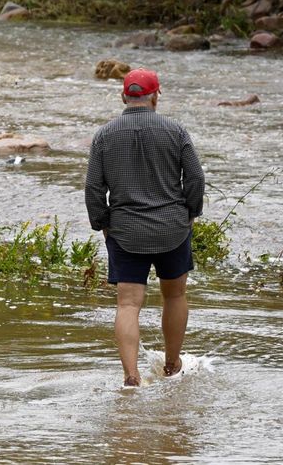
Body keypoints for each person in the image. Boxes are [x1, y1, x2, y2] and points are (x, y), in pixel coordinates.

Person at [84, 68, 205, 386]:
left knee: (128, 303)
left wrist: (102, 223)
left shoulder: (105, 135)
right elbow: (194, 178)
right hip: (172, 228)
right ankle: (172, 364)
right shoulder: (175, 131)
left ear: (124, 96)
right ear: (156, 95)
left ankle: (131, 374)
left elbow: (94, 188)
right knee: (175, 295)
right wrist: (190, 213)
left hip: (125, 230)